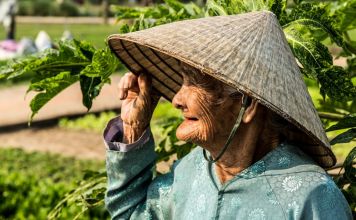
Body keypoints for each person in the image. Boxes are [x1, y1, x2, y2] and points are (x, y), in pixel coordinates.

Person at [103, 11, 352, 219]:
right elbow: (133, 214)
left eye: (195, 83)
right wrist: (133, 127)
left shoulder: (311, 196)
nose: (177, 100)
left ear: (249, 105)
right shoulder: (191, 171)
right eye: (182, 81)